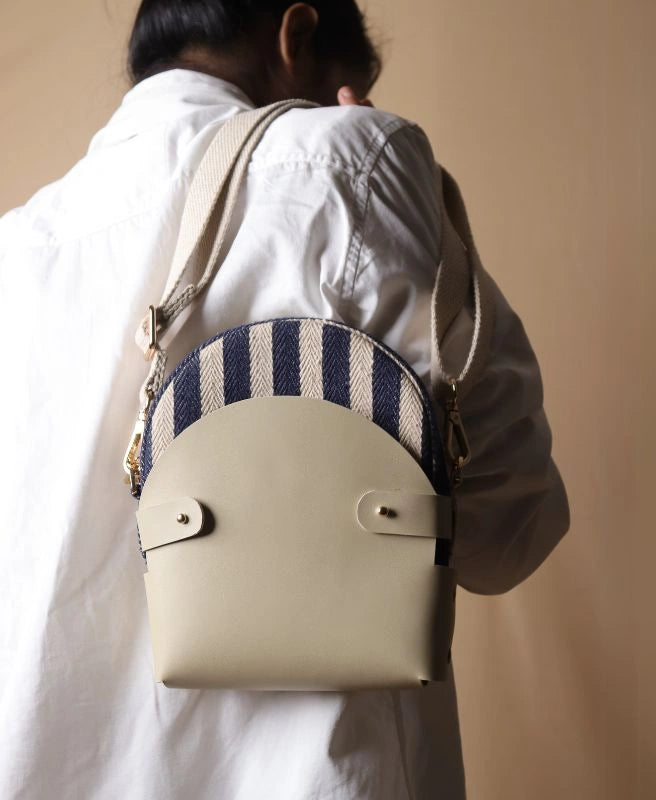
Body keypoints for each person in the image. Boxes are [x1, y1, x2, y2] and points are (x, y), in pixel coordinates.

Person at [0, 1, 570, 797]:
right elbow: (511, 531)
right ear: (294, 37)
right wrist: (400, 196)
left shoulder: (17, 253)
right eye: (344, 86)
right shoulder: (349, 163)